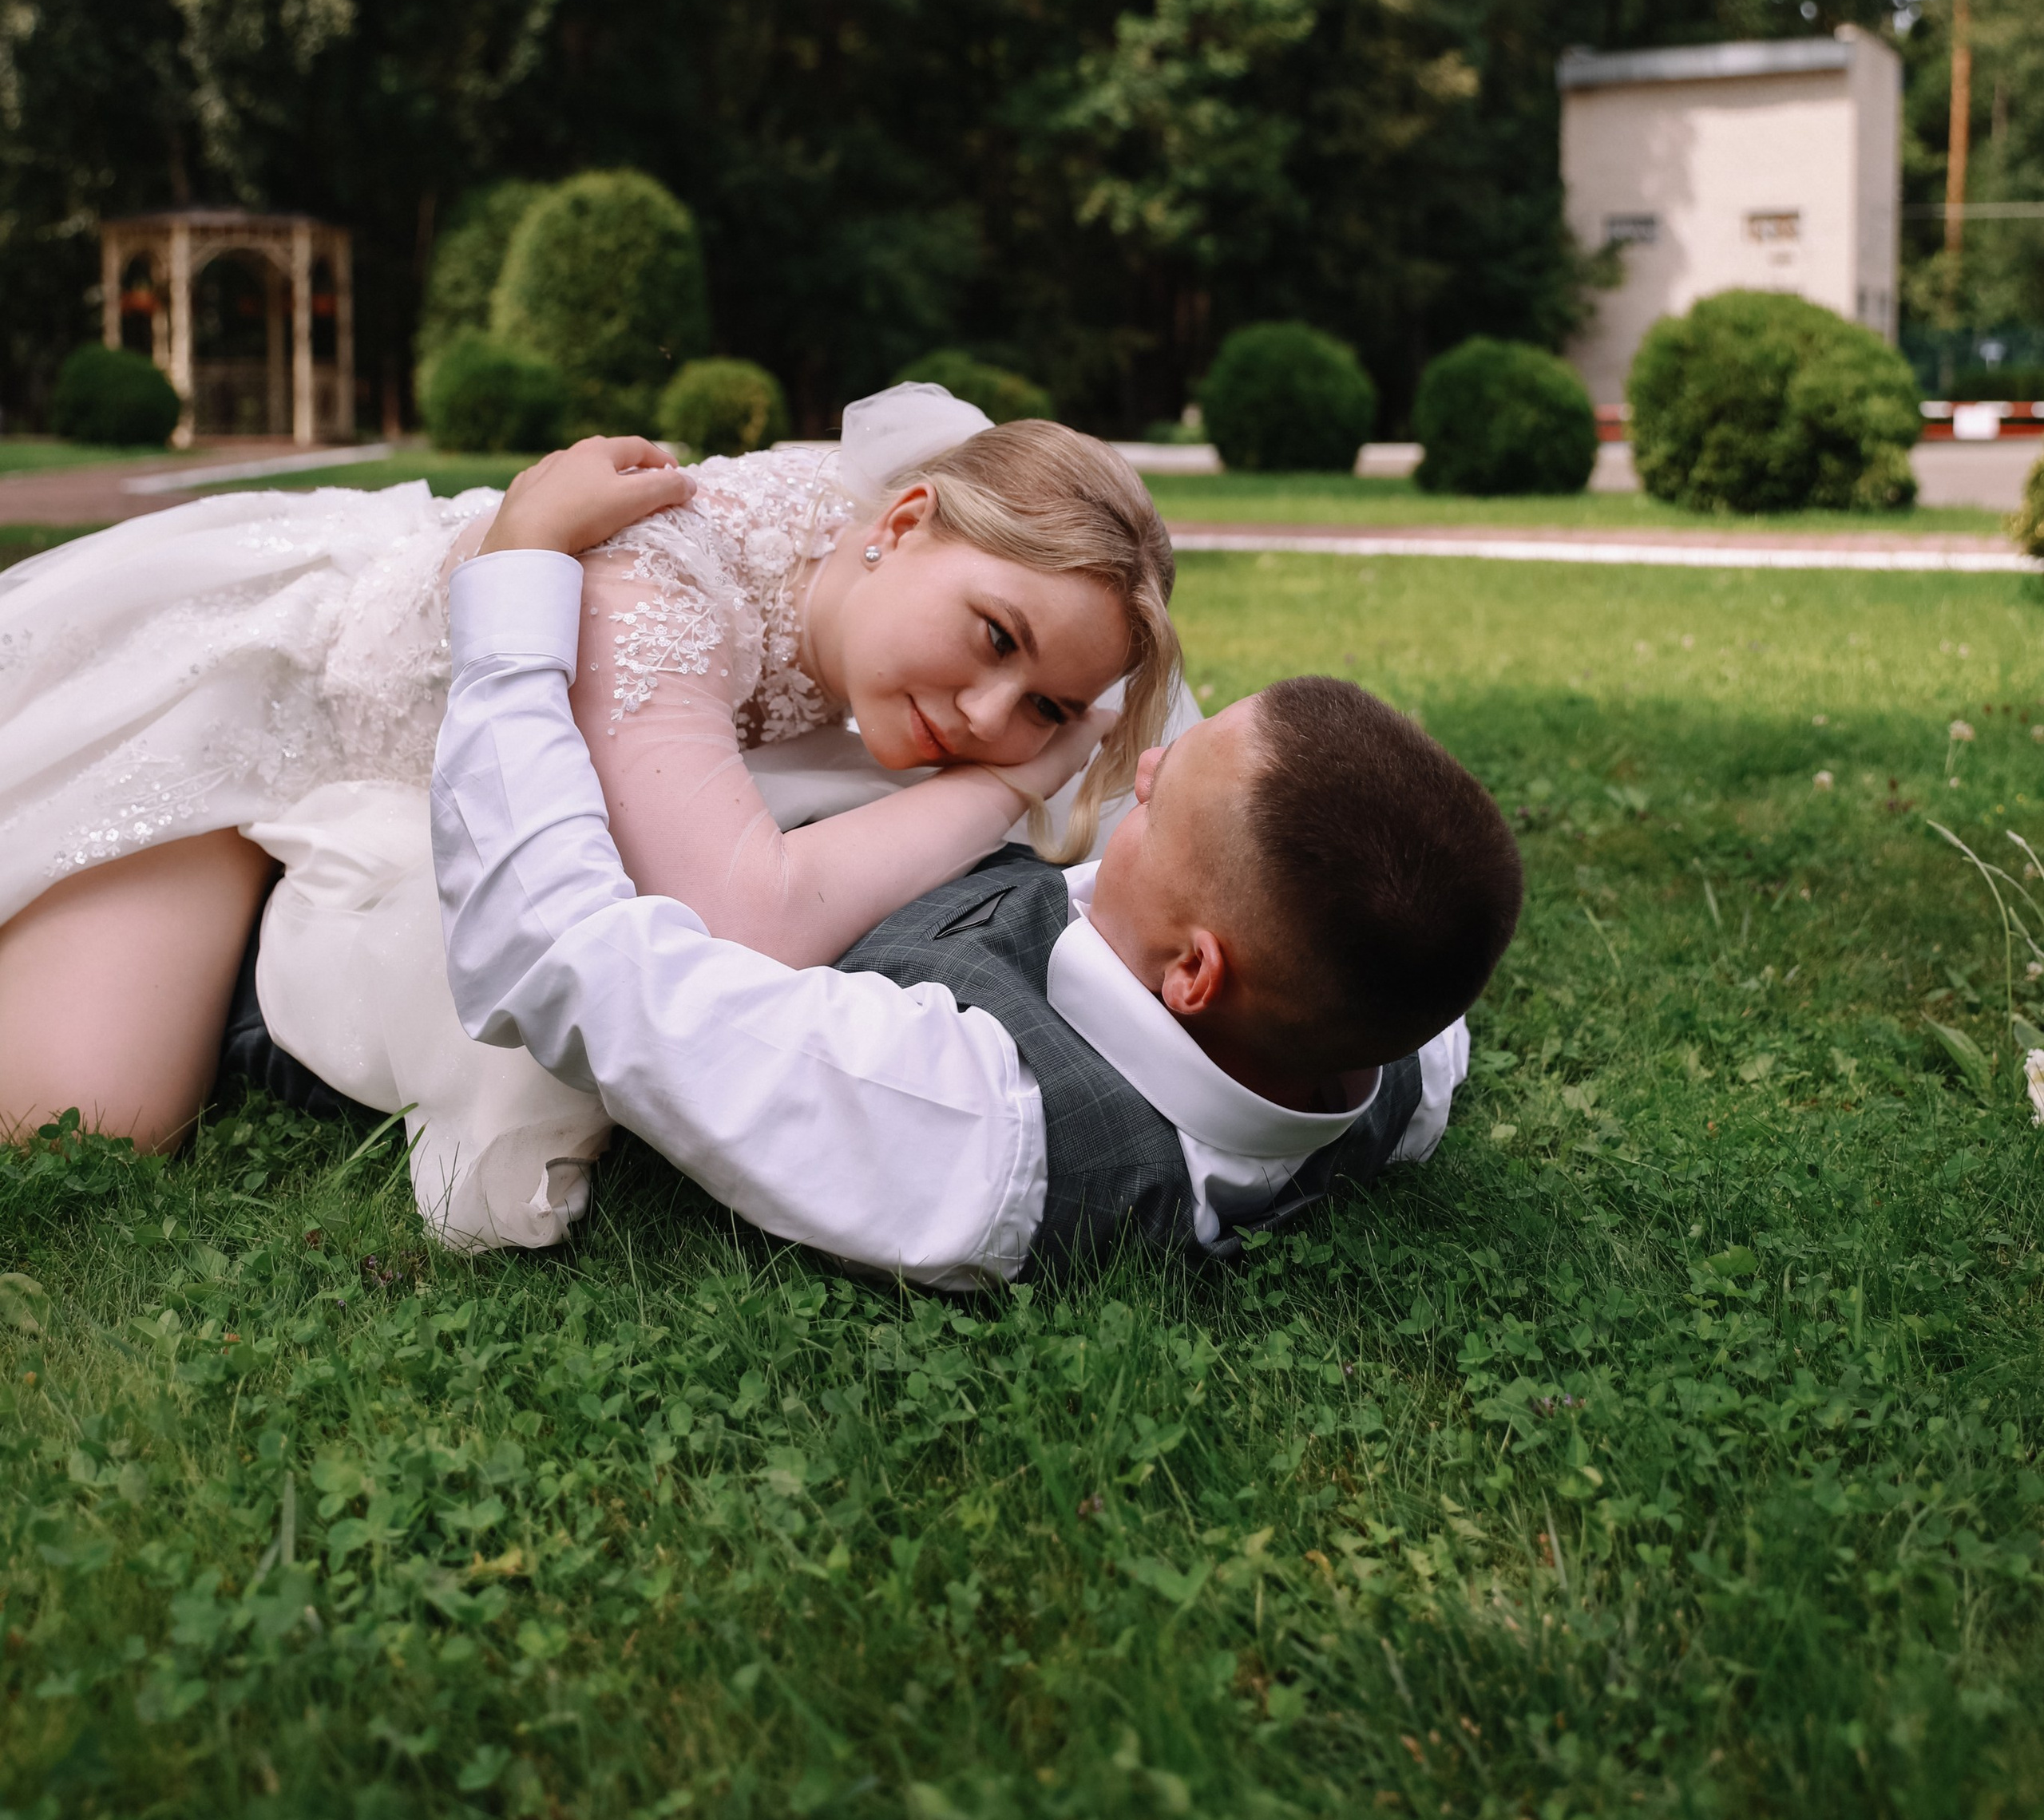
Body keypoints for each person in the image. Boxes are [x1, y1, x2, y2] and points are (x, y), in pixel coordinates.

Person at [0, 386, 1181, 1244]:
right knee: (87, 1123)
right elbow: (742, 917)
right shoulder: (658, 588)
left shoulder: (873, 572)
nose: (986, 711)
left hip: (383, 745)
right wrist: (1007, 783)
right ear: (903, 521)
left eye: (1046, 706)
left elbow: (1165, 725)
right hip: (252, 713)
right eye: (992, 636)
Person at [430, 443, 1527, 1285]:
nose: (1130, 778)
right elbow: (1413, 949)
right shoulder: (1397, 1064)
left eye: (1161, 801)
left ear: (1193, 975)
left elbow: (569, 956)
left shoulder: (971, 1119)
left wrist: (519, 585)